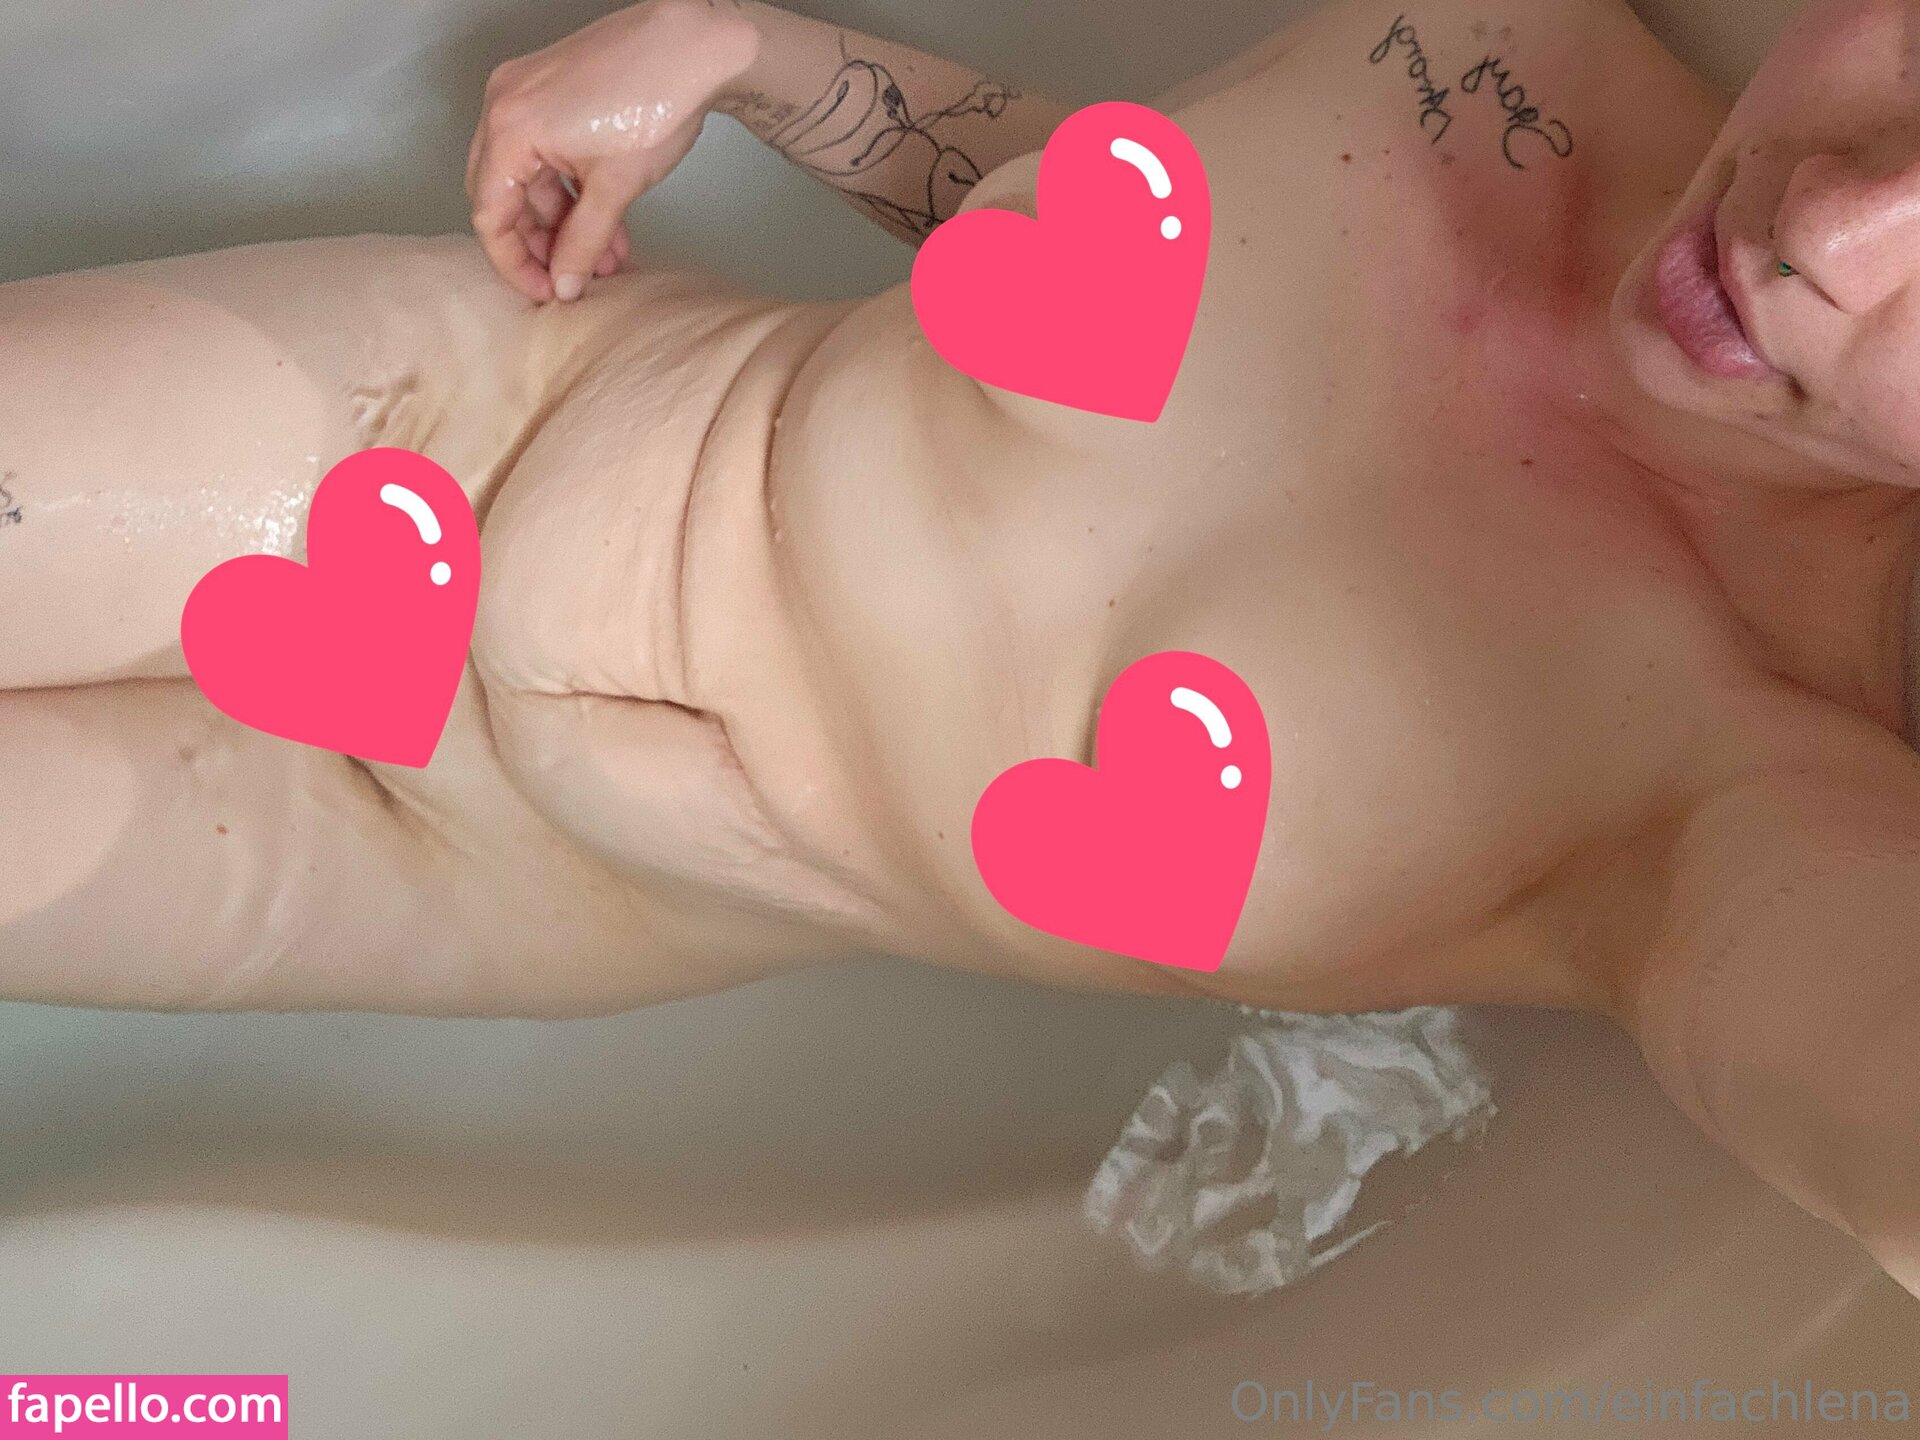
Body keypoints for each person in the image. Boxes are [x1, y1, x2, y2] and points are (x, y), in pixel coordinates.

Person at [2, 0, 1915, 1301]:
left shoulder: (1753, 794)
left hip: (495, 877)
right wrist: (749, 53)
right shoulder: (1509, 44)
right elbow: (1110, 223)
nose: (1833, 223)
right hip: (458, 429)